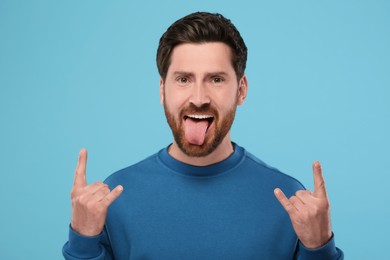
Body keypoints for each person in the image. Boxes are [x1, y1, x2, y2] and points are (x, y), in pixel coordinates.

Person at [63, 12, 344, 259]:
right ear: (163, 90)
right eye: (184, 79)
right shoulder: (114, 197)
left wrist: (319, 248)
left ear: (241, 89)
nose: (199, 98)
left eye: (216, 79)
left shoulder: (289, 200)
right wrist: (83, 241)